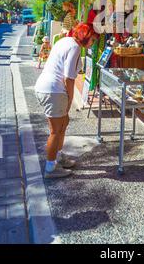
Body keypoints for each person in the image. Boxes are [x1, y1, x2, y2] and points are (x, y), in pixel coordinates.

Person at [35, 23, 97, 179]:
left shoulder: (65, 41)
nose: (93, 43)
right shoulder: (75, 48)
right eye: (93, 40)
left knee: (63, 124)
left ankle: (57, 156)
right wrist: (70, 101)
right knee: (55, 131)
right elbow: (68, 78)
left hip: (48, 87)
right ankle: (50, 167)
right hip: (54, 90)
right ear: (86, 36)